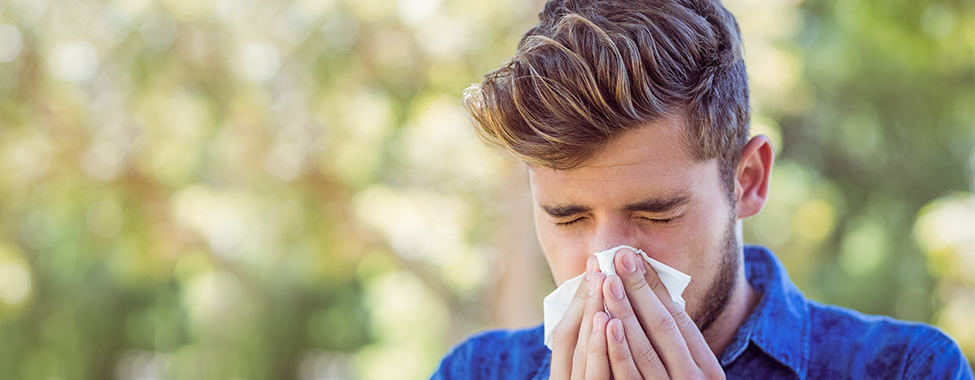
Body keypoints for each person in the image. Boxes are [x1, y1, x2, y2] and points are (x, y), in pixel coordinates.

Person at [431, 0, 974, 378]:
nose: (609, 263)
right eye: (568, 217)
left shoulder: (910, 368)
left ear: (749, 181)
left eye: (656, 214)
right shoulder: (472, 371)